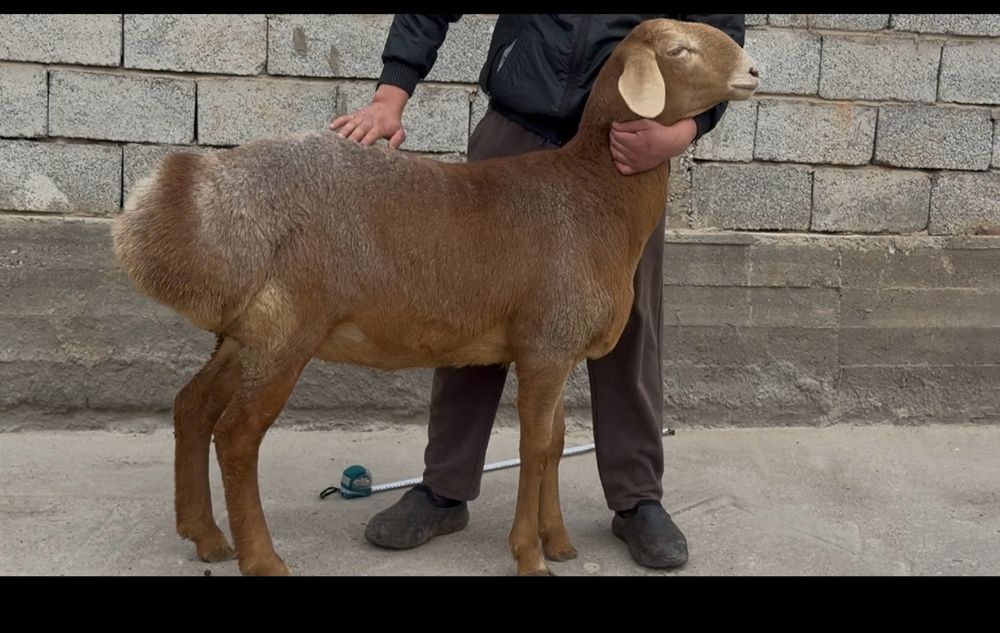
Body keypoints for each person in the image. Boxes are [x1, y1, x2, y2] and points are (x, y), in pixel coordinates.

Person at [330, 14, 746, 569]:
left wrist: (685, 131)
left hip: (627, 145)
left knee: (626, 318)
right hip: (518, 123)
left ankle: (637, 498)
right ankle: (444, 488)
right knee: (466, 307)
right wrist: (391, 92)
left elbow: (718, 35)